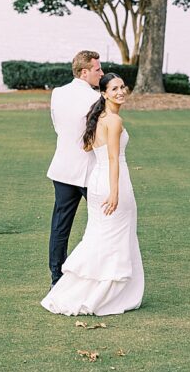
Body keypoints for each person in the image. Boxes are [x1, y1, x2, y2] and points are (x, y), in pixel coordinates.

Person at [41, 72, 145, 316]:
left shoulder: (97, 118)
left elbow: (89, 147)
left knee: (99, 236)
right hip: (110, 180)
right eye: (114, 88)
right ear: (104, 93)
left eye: (122, 87)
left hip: (96, 179)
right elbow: (113, 158)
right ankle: (106, 293)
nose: (121, 91)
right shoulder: (114, 122)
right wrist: (116, 191)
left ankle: (79, 286)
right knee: (114, 236)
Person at [46, 50, 104, 287]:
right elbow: (97, 136)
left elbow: (57, 126)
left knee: (60, 225)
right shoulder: (95, 99)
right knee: (102, 224)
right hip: (89, 171)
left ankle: (56, 276)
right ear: (84, 72)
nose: (101, 73)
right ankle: (95, 275)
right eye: (97, 69)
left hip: (62, 167)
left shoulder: (57, 93)